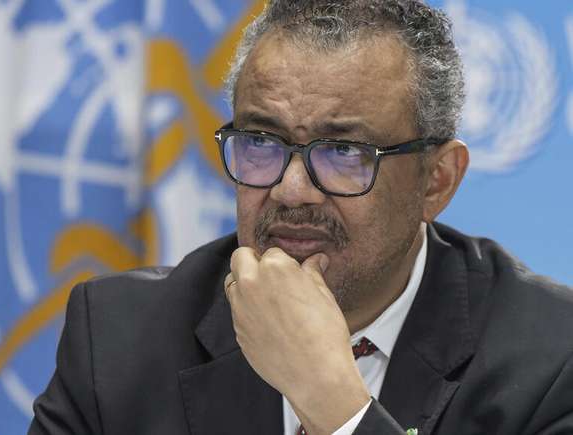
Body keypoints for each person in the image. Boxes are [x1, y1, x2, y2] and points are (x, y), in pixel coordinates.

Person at [29, 1, 573, 434]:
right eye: (261, 142)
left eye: (343, 152)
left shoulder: (552, 362)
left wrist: (333, 402)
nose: (291, 190)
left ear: (437, 180)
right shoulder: (118, 339)